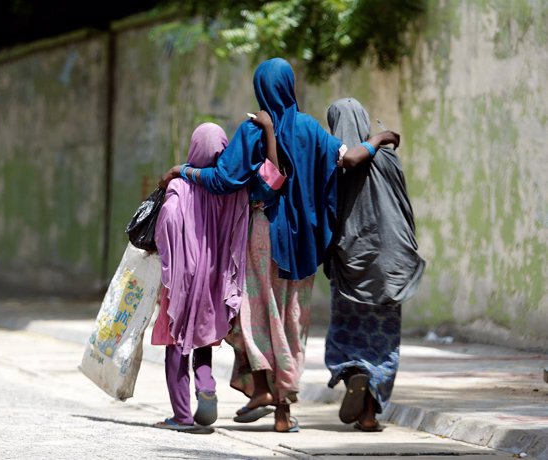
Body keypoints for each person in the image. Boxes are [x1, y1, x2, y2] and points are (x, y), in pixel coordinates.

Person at [160, 58, 400, 432]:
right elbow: (350, 158)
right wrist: (379, 139)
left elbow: (224, 179)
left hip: (262, 234)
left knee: (255, 317)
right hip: (304, 241)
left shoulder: (253, 129)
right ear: (290, 85)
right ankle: (284, 410)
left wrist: (184, 170)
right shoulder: (310, 129)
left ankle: (262, 389)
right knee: (291, 322)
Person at [324, 97, 426, 432]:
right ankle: (368, 415)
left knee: (347, 332)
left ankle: (355, 371)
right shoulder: (388, 160)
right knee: (382, 341)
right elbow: (402, 205)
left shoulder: (331, 163)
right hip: (390, 262)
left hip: (349, 262)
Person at [151, 122, 250, 431]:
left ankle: (181, 416)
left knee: (176, 342)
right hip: (214, 277)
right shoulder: (229, 190)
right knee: (202, 337)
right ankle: (205, 385)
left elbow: (166, 222)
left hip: (183, 275)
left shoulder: (180, 185)